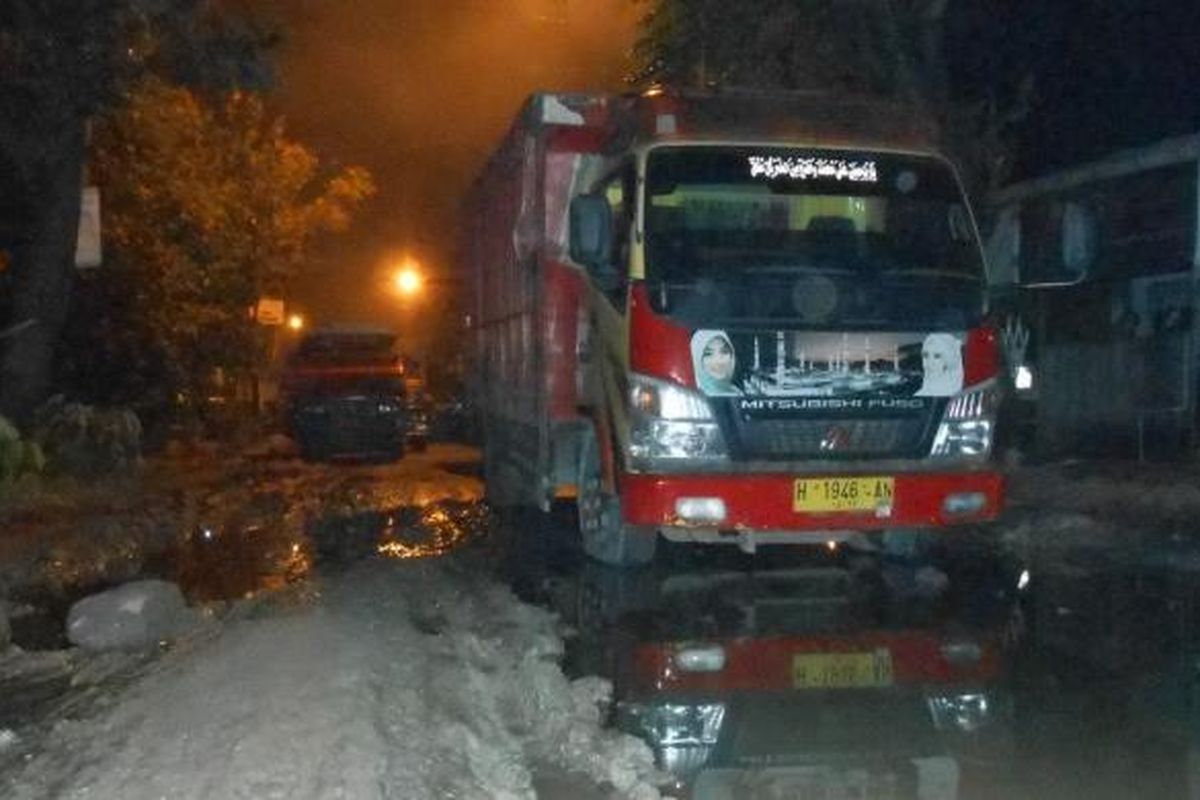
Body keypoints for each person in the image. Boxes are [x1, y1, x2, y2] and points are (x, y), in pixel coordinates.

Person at [692, 330, 739, 395]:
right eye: (709, 354)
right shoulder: (691, 399)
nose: (718, 360)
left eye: (724, 351)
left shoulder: (739, 394)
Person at [916, 332, 963, 397]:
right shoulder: (919, 396)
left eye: (937, 356)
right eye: (925, 355)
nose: (930, 362)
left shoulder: (963, 398)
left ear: (949, 360)